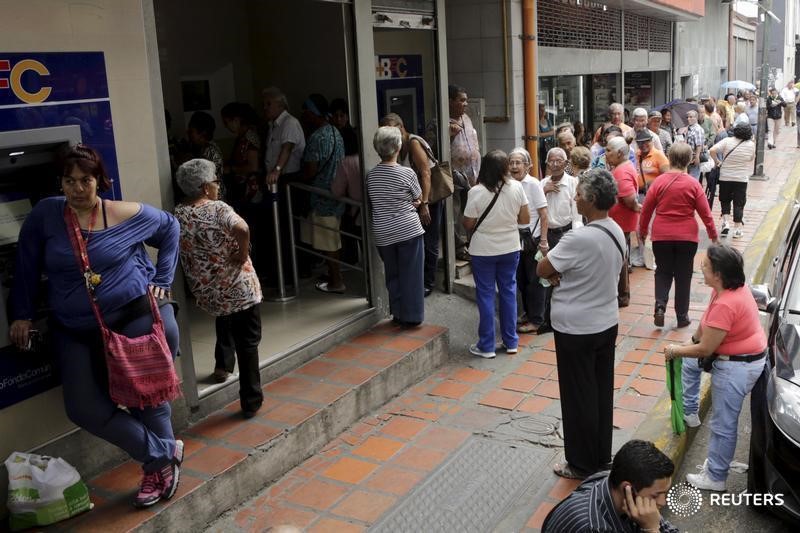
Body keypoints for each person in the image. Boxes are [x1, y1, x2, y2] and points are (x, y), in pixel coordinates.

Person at [9, 144, 183, 508]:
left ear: (99, 181)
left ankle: (158, 469)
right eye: (68, 181)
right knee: (83, 406)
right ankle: (165, 453)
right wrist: (21, 314)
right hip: (73, 328)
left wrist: (163, 277)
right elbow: (24, 265)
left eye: (84, 180)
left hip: (132, 318)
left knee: (145, 398)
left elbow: (170, 227)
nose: (76, 189)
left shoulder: (123, 213)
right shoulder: (46, 214)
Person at [537, 169, 625, 479]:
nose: (575, 198)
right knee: (600, 392)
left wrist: (554, 273)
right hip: (606, 322)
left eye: (579, 195)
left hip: (576, 328)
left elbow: (542, 267)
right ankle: (601, 455)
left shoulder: (578, 237)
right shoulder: (615, 230)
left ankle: (580, 462)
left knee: (578, 397)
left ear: (590, 200)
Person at [665, 244, 767, 491]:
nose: (701, 266)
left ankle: (716, 477)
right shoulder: (725, 290)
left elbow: (705, 349)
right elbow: (704, 329)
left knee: (723, 424)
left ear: (718, 274)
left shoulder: (727, 303)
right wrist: (688, 344)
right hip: (740, 359)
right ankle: (690, 413)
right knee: (690, 363)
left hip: (737, 368)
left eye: (706, 265)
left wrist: (675, 350)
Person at [174, 159, 263, 417]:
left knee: (226, 322)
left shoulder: (179, 212)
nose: (217, 185)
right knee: (248, 342)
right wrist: (243, 253)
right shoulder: (217, 208)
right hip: (239, 287)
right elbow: (242, 227)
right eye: (215, 181)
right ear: (204, 187)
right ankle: (251, 400)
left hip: (212, 292)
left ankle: (223, 366)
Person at [639, 143, 718, 329]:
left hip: (661, 236)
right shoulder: (693, 184)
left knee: (663, 272)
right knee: (683, 276)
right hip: (687, 238)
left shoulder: (658, 182)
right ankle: (682, 316)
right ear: (690, 160)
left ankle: (660, 305)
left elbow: (646, 211)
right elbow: (706, 213)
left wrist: (642, 232)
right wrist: (714, 236)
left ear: (669, 157)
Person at [463, 150, 529, 358]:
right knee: (509, 292)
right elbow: (525, 219)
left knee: (485, 294)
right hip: (510, 247)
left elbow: (468, 223)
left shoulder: (476, 191)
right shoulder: (517, 188)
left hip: (483, 250)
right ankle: (511, 342)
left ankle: (487, 345)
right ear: (504, 168)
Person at [542, 439, 679, 533]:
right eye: (656, 495)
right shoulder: (593, 528)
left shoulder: (613, 481)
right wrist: (652, 529)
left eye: (665, 493)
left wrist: (653, 525)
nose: (663, 502)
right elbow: (655, 525)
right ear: (628, 489)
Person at [366, 126, 424, 326]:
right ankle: (412, 316)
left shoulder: (371, 176)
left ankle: (398, 313)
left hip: (383, 233)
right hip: (408, 229)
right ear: (398, 147)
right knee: (412, 274)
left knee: (393, 274)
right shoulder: (407, 173)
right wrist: (415, 202)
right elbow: (418, 197)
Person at [380, 113, 440, 297]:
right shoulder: (397, 145)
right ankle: (418, 280)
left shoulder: (413, 142)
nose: (390, 134)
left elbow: (425, 173)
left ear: (401, 126)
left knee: (429, 240)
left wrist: (424, 204)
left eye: (392, 129)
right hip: (415, 198)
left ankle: (428, 282)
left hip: (429, 198)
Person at [302, 93, 345, 293]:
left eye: (307, 111)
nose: (305, 115)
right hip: (337, 193)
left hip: (321, 197)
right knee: (332, 238)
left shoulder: (316, 137)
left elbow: (310, 171)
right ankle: (333, 276)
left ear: (313, 113)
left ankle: (336, 282)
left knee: (329, 242)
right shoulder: (336, 132)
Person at [262, 86, 307, 282]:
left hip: (287, 179)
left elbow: (286, 149)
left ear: (280, 104)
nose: (265, 108)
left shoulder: (290, 122)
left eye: (268, 104)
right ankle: (280, 272)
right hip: (275, 181)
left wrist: (276, 171)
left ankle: (292, 273)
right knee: (276, 228)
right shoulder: (273, 124)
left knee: (287, 228)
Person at [509, 147, 548, 334]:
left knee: (535, 280)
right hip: (513, 238)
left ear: (527, 166)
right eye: (511, 162)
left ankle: (536, 319)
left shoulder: (533, 184)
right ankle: (527, 313)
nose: (514, 166)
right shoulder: (507, 183)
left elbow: (544, 214)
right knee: (520, 279)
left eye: (518, 163)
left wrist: (544, 241)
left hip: (532, 238)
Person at [606, 137, 639, 303]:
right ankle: (622, 294)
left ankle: (622, 295)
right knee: (622, 255)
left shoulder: (622, 171)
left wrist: (634, 207)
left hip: (621, 221)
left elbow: (629, 197)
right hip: (621, 221)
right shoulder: (623, 167)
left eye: (608, 150)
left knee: (620, 257)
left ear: (619, 153)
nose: (606, 154)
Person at [449, 84, 481, 260]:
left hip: (471, 176)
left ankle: (472, 243)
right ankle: (458, 248)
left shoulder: (466, 118)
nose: (465, 104)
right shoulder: (441, 121)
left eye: (466, 100)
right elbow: (433, 149)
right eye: (461, 100)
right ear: (450, 101)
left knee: (470, 211)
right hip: (453, 177)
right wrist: (449, 136)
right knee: (454, 214)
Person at [710, 122, 756, 239]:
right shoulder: (751, 144)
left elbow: (712, 150)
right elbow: (751, 159)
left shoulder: (727, 141)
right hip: (741, 179)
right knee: (739, 203)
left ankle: (725, 223)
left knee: (725, 200)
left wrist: (717, 162)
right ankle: (737, 229)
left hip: (725, 177)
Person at [684, 110, 706, 179]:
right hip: (689, 157)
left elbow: (699, 144)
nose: (688, 119)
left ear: (696, 118)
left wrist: (697, 157)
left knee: (693, 177)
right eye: (687, 117)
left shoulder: (697, 129)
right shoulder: (689, 128)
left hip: (694, 157)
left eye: (691, 117)